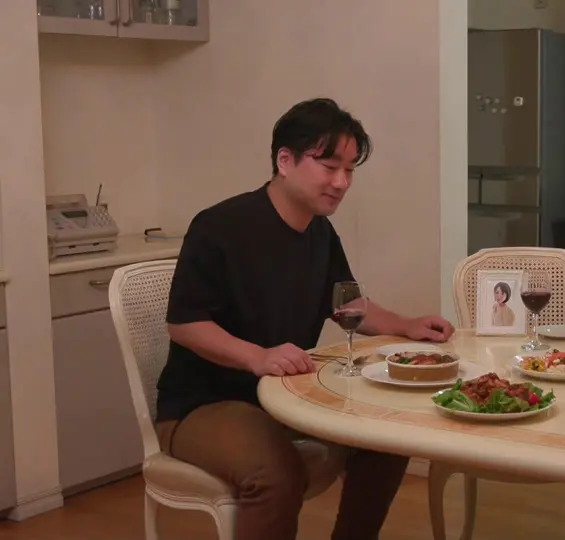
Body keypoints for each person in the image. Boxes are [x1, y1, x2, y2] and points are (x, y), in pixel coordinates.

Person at [153, 97, 456, 540]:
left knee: (388, 435)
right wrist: (257, 357)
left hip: (287, 393)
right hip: (202, 406)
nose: (341, 182)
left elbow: (347, 304)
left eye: (349, 170)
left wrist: (407, 325)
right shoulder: (220, 226)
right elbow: (184, 324)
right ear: (285, 160)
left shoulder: (319, 231)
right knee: (276, 474)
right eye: (329, 166)